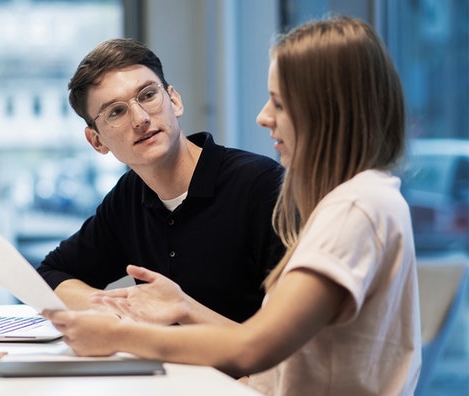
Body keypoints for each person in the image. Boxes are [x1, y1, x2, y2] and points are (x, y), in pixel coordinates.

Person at [44, 16, 422, 395]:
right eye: (116, 111)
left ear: (328, 110)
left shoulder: (354, 207)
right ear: (97, 140)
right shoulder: (353, 201)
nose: (263, 118)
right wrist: (168, 310)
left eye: (279, 102)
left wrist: (122, 335)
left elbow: (256, 345)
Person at [35, 38, 285, 323]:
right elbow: (52, 274)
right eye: (116, 112)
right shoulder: (129, 197)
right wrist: (118, 312)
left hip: (246, 368)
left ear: (174, 100)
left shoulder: (259, 185)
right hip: (171, 366)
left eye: (148, 95)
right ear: (96, 141)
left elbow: (288, 335)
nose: (140, 118)